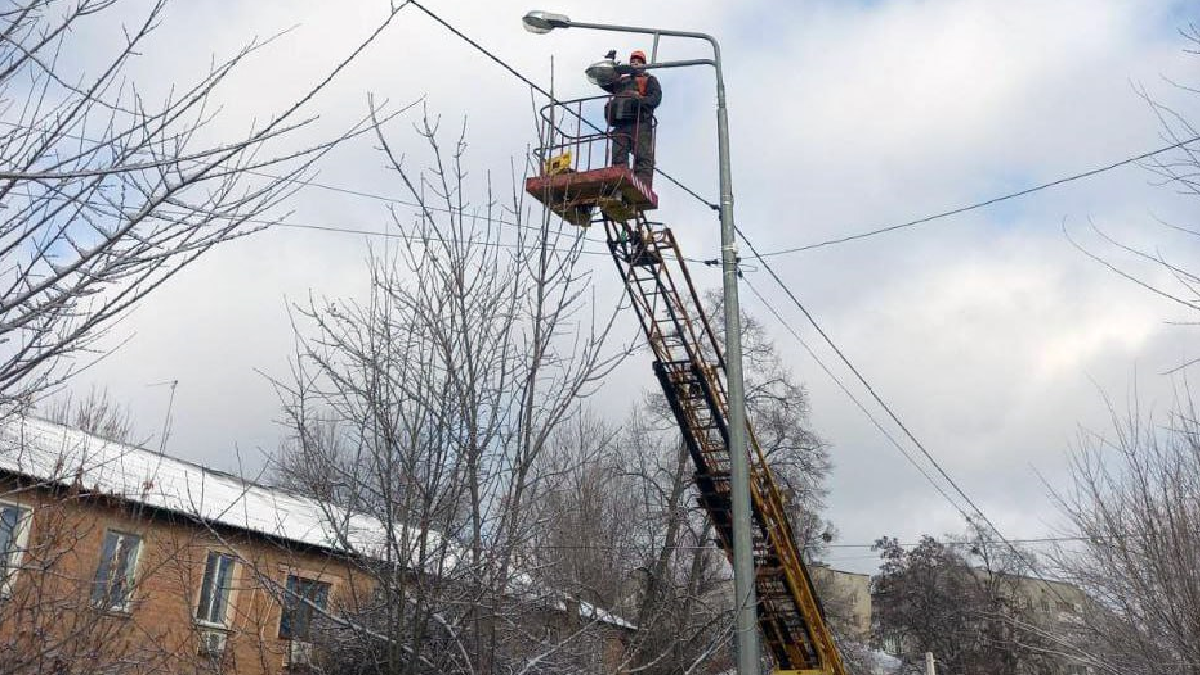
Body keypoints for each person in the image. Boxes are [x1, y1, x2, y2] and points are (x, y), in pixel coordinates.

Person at [602, 49, 661, 188]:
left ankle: (642, 187)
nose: (635, 63)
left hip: (640, 124)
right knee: (619, 156)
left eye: (638, 62)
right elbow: (604, 83)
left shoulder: (649, 80)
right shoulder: (622, 80)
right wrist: (608, 65)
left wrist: (640, 101)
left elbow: (656, 98)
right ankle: (620, 186)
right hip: (621, 123)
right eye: (633, 61)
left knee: (643, 158)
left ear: (644, 65)